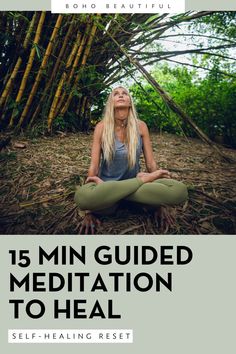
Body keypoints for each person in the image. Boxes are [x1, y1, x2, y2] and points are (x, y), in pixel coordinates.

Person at [74, 86, 188, 234]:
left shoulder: (141, 127)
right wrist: (89, 209)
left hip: (137, 190)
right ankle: (133, 191)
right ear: (111, 102)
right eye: (116, 94)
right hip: (108, 188)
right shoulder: (101, 127)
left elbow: (150, 163)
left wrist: (160, 204)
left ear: (130, 102)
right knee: (83, 198)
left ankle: (132, 191)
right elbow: (94, 167)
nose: (121, 95)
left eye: (124, 94)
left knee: (179, 191)